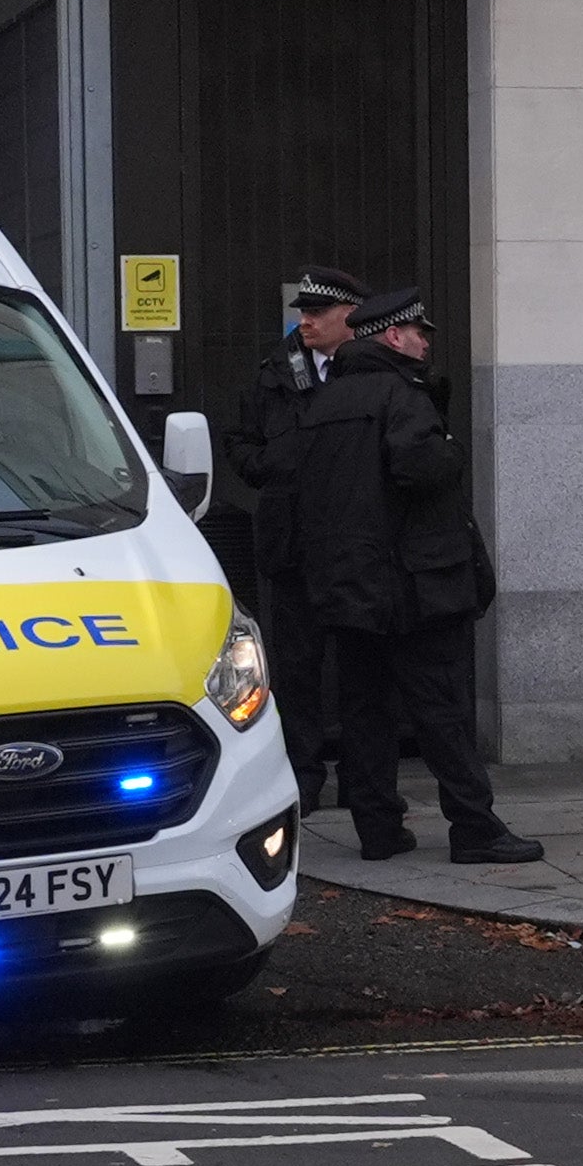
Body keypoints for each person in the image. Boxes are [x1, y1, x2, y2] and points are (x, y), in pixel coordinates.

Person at [290, 286, 541, 865]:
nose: (427, 342)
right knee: (440, 708)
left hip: (350, 588)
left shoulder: (323, 401)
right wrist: (448, 452)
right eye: (419, 332)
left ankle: (378, 829)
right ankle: (474, 827)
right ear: (393, 337)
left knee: (364, 712)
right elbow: (422, 469)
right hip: (411, 585)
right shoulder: (402, 396)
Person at [220, 264, 370, 815]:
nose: (304, 321)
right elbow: (238, 442)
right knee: (298, 667)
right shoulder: (273, 373)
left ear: (349, 315)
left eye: (316, 312)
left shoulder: (372, 369)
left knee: (361, 668)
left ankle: (364, 778)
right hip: (292, 542)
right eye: (302, 311)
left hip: (357, 543)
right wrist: (276, 468)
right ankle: (303, 775)